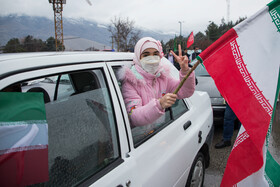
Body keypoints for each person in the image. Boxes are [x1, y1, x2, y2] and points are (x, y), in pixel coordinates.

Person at [119, 37, 195, 127]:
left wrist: (185, 71)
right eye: (146, 55)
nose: (152, 58)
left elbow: (184, 91)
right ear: (138, 57)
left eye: (155, 54)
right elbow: (134, 116)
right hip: (140, 137)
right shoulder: (131, 81)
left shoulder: (162, 77)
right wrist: (159, 105)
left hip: (159, 131)